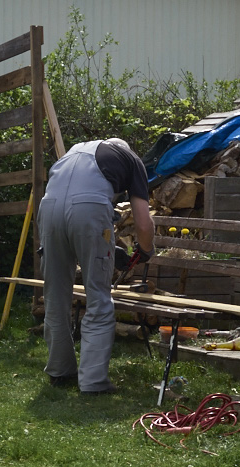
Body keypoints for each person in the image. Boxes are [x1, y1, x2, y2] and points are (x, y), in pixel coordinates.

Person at [37, 138, 155, 394]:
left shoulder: (73, 153)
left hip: (48, 208)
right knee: (98, 298)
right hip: (88, 208)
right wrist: (145, 251)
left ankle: (60, 371)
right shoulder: (131, 160)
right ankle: (92, 383)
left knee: (55, 297)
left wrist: (110, 248)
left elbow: (70, 207)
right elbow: (143, 224)